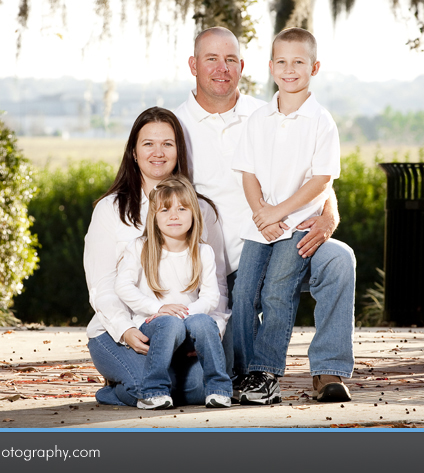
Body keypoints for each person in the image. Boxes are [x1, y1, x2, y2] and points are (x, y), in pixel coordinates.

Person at [173, 26, 355, 403]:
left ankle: (328, 371)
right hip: (220, 263)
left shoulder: (267, 110)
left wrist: (328, 216)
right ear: (193, 65)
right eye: (211, 59)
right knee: (203, 375)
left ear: (243, 66)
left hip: (288, 234)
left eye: (230, 60)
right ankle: (250, 373)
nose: (221, 69)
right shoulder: (175, 127)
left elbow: (321, 177)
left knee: (339, 258)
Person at [84, 107, 229, 407]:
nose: (158, 152)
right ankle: (115, 387)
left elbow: (218, 286)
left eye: (168, 143)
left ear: (179, 151)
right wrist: (125, 330)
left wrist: (205, 333)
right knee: (144, 385)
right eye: (148, 143)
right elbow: (101, 285)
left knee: (202, 388)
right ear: (134, 152)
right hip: (120, 332)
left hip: (182, 336)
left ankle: (155, 382)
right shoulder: (110, 210)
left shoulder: (201, 210)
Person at [231, 27, 341, 405]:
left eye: (299, 62)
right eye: (282, 61)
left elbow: (322, 179)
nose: (289, 69)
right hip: (260, 223)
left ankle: (266, 374)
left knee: (278, 291)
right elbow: (247, 173)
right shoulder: (259, 118)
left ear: (315, 67)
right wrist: (261, 212)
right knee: (244, 293)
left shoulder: (321, 121)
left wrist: (280, 212)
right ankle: (241, 372)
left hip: (297, 224)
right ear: (270, 66)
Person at [115, 175, 232, 409]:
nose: (174, 216)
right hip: (153, 324)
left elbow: (210, 298)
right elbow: (123, 287)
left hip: (189, 323)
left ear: (194, 214)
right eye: (165, 210)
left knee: (204, 323)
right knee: (169, 324)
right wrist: (159, 309)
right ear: (154, 217)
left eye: (182, 208)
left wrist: (184, 313)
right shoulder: (140, 247)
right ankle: (153, 391)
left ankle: (219, 389)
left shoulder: (203, 252)